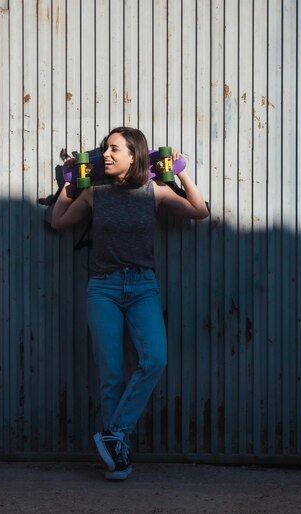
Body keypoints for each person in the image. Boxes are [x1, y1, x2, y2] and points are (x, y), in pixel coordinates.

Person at [51, 127, 209, 480]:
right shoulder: (95, 194)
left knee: (155, 358)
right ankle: (118, 458)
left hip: (142, 287)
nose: (106, 155)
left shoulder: (156, 191)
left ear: (134, 156)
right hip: (103, 289)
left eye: (113, 149)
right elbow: (59, 221)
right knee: (111, 373)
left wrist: (180, 170)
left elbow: (199, 211)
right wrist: (68, 185)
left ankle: (116, 433)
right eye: (105, 149)